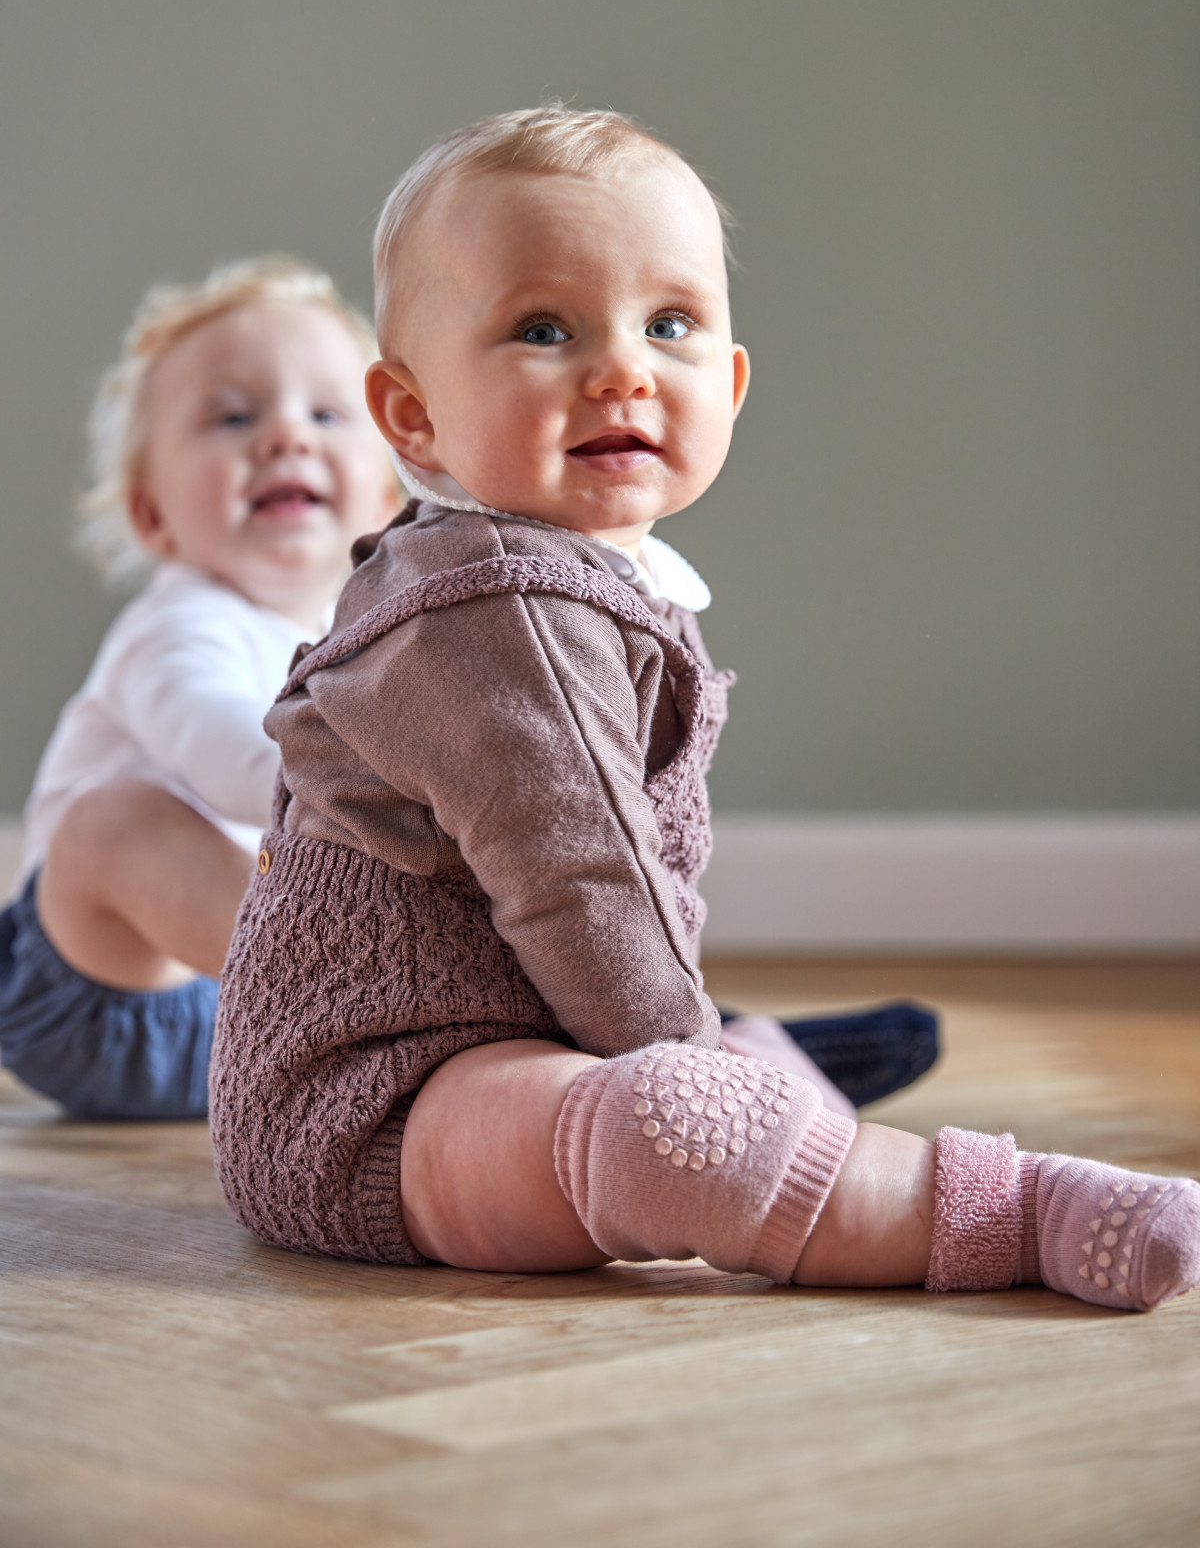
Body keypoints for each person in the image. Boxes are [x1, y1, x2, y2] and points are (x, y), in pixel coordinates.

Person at [210, 109, 1199, 1311]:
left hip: (498, 1061)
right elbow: (585, 877)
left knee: (702, 1086)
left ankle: (783, 1113)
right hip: (373, 1111)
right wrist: (691, 1073)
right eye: (542, 328)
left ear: (728, 383)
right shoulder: (493, 608)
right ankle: (1010, 1210)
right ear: (413, 415)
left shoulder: (570, 579)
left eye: (669, 324)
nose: (622, 367)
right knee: (677, 1118)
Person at [0, 258, 400, 1118]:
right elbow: (225, 747)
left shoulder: (377, 633)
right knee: (110, 822)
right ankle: (385, 1006)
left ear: (387, 491)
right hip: (102, 996)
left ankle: (406, 1032)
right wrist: (393, 802)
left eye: (327, 414)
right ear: (154, 517)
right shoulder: (177, 627)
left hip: (244, 1022)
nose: (285, 436)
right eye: (231, 417)